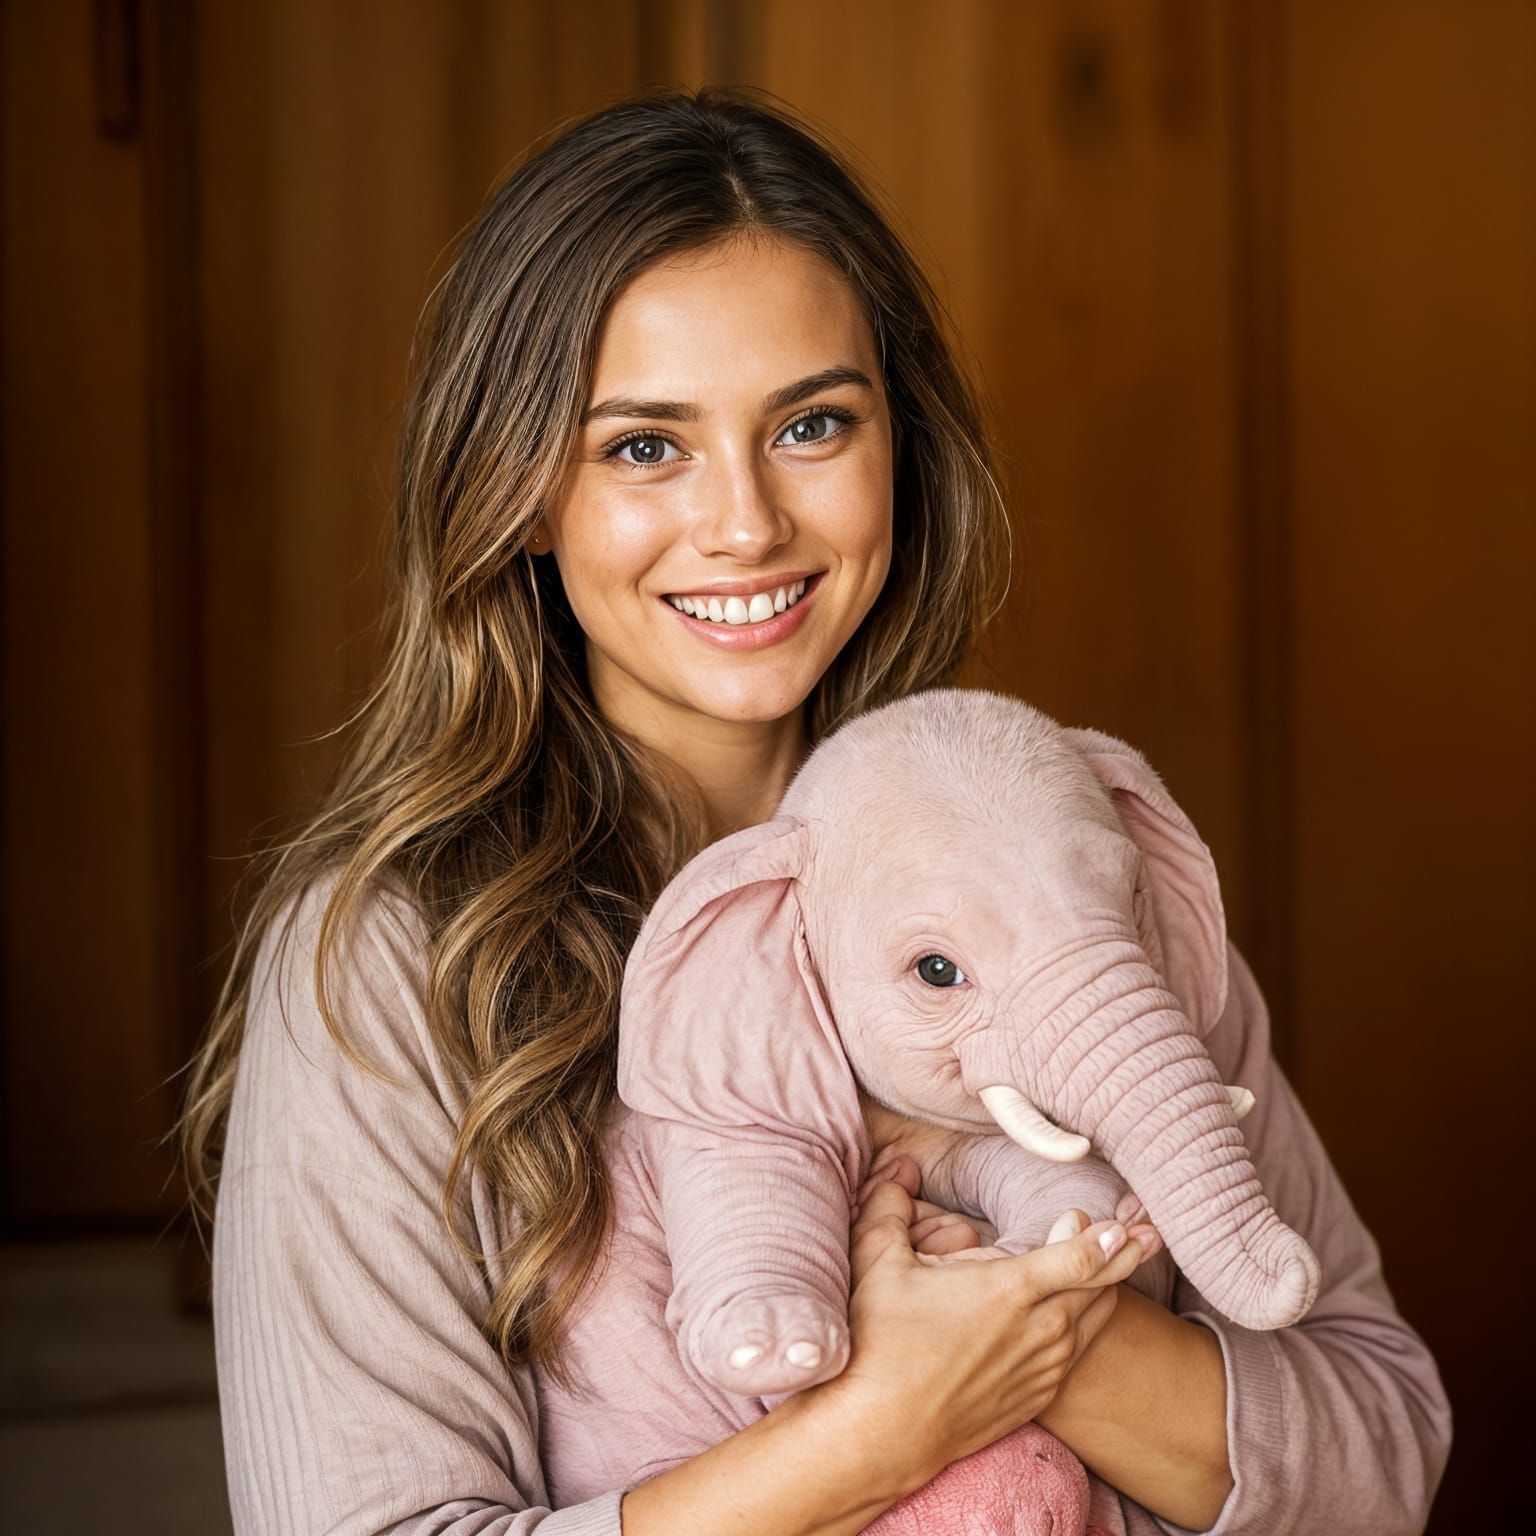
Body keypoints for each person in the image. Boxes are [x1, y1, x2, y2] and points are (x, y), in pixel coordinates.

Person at [176, 87, 1451, 1536]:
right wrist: (886, 1425)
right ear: (522, 491)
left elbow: (1382, 1447)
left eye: (812, 425)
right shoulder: (383, 963)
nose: (745, 525)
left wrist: (1056, 1339)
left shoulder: (1036, 848)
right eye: (644, 447)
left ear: (898, 442)